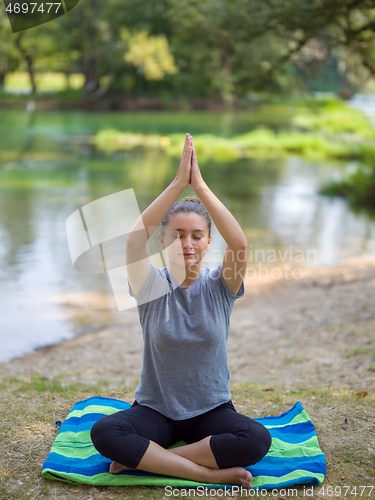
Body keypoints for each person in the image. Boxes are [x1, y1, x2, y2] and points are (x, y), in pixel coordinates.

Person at [90, 133, 271, 488]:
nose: (186, 243)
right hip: (155, 412)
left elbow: (241, 243)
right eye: (176, 235)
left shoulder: (221, 286)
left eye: (196, 235)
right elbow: (131, 239)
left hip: (212, 412)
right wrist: (177, 183)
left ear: (208, 241)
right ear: (162, 241)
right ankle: (207, 475)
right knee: (105, 432)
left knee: (256, 439)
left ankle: (143, 460)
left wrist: (199, 185)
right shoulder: (150, 285)